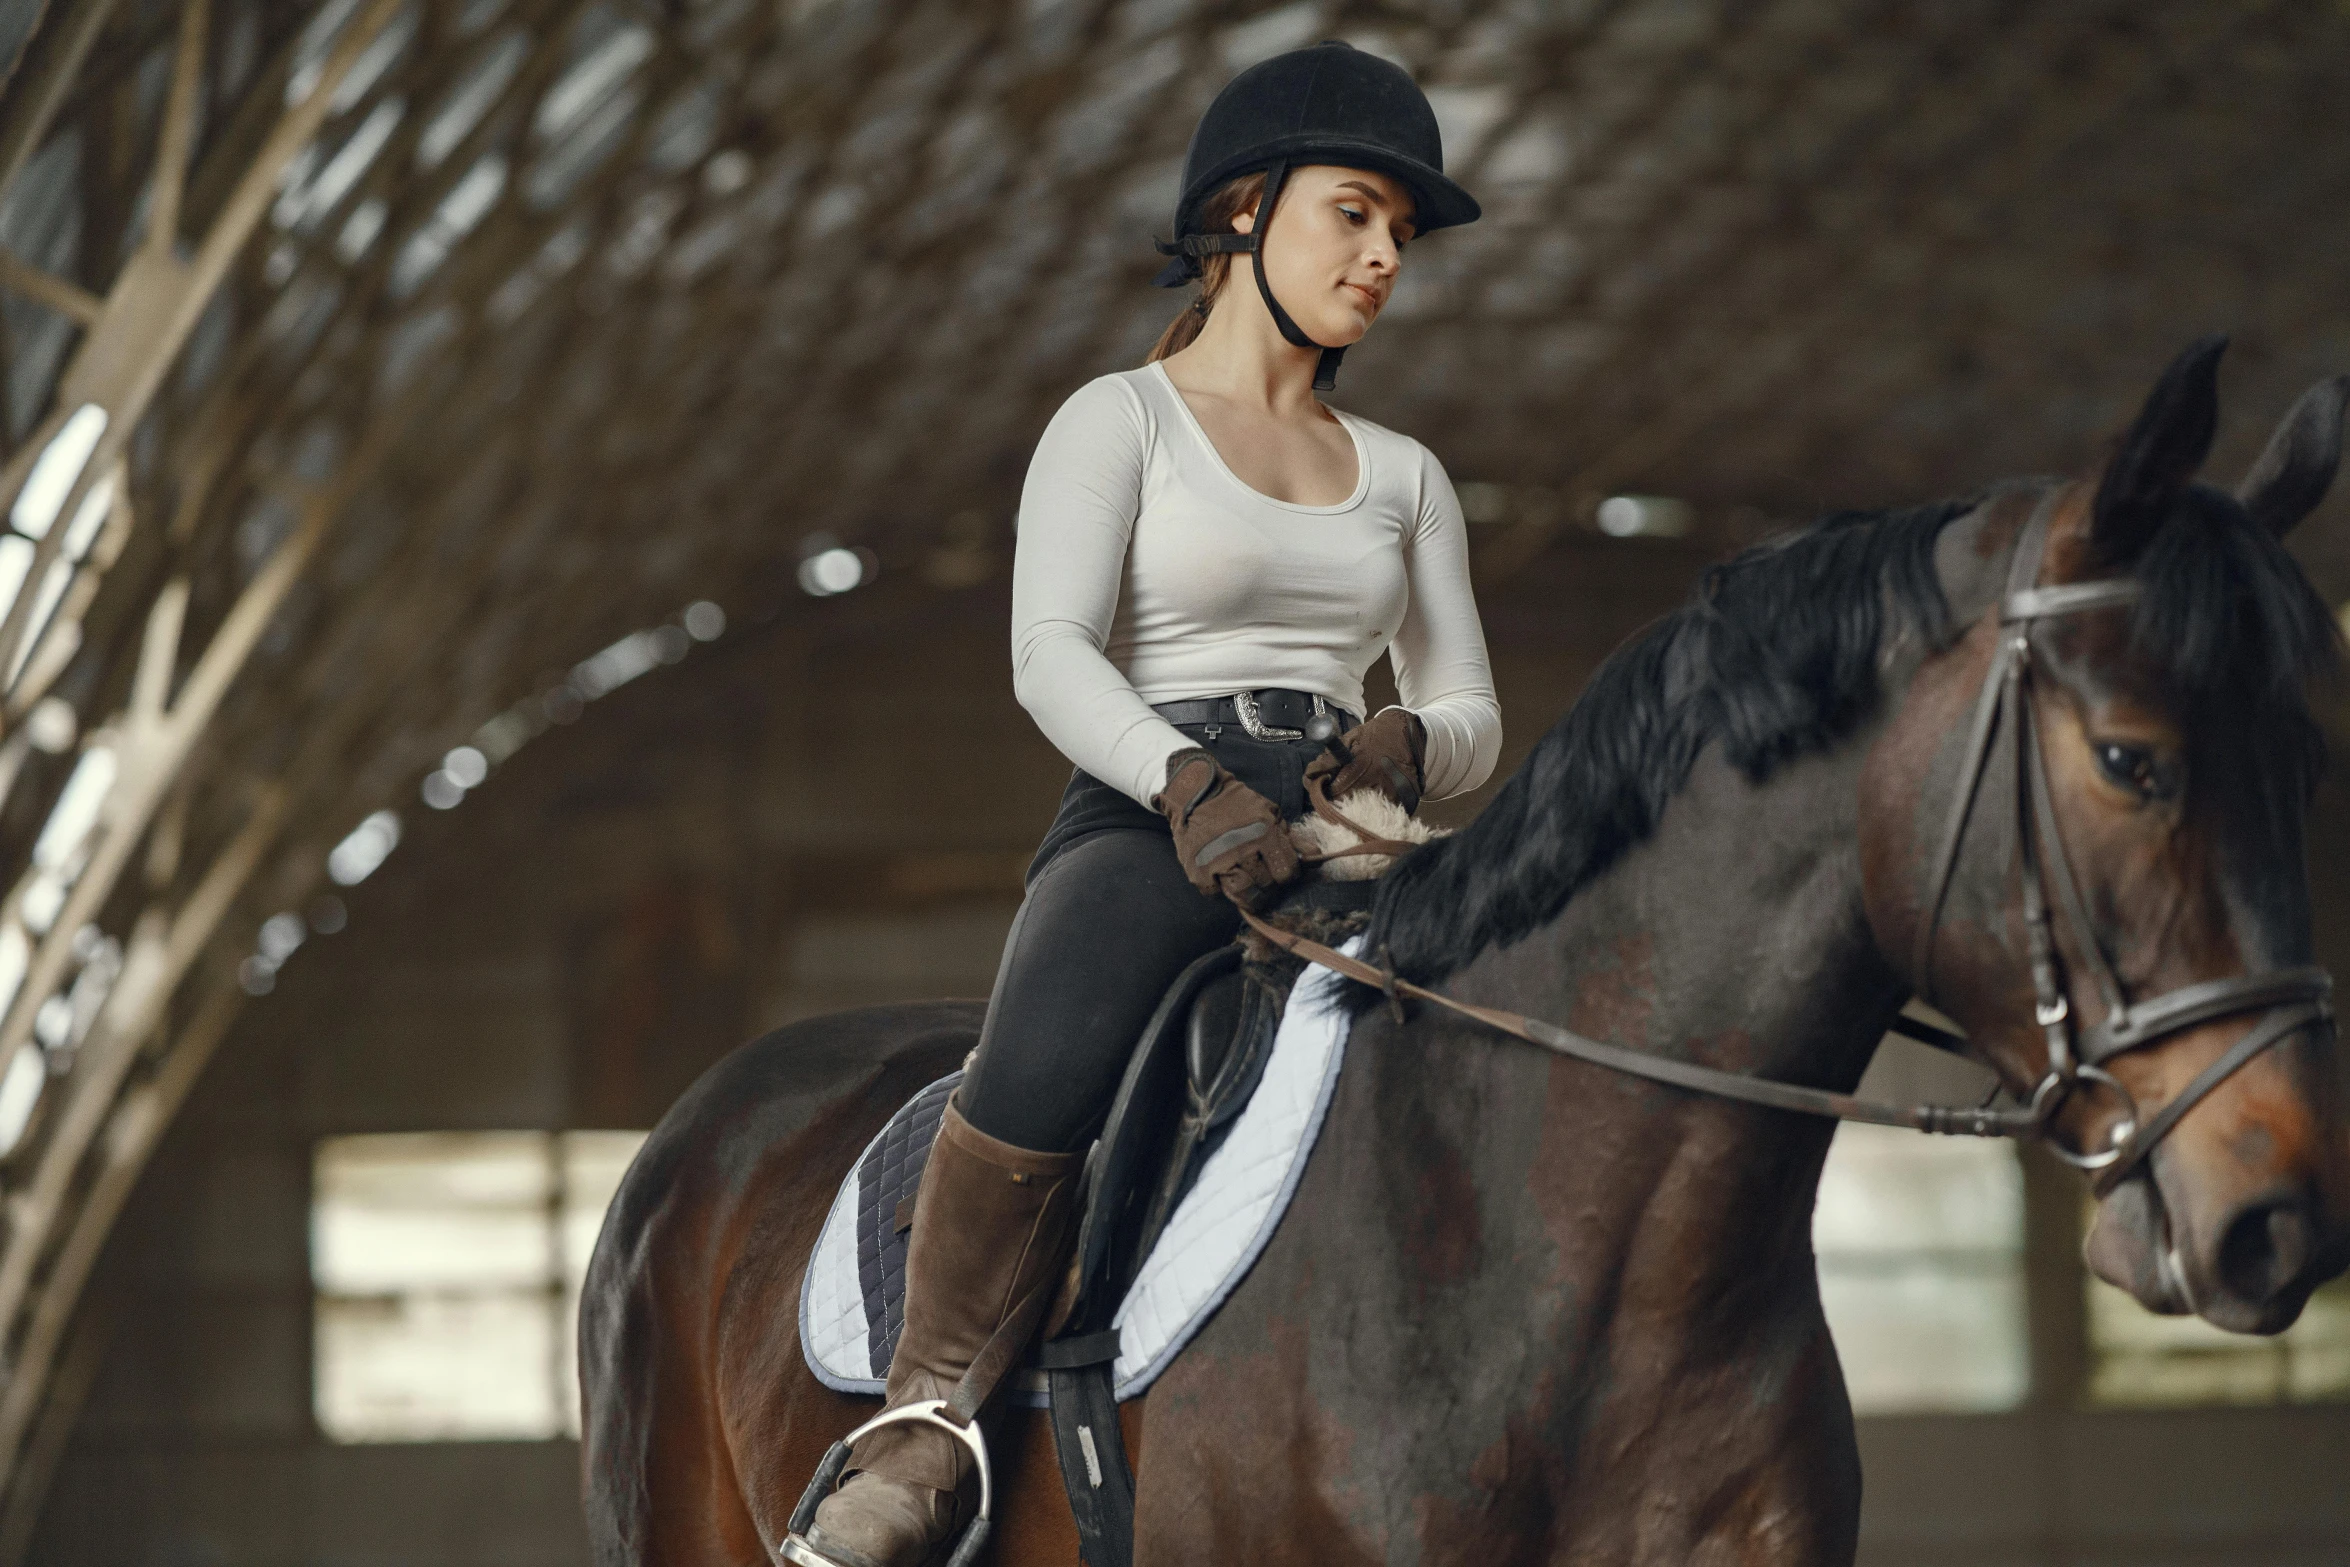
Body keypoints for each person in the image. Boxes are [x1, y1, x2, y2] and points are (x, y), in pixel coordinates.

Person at [782, 40, 1502, 1567]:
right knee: (1044, 1051)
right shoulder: (1118, 422)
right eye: (1354, 214)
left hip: (1350, 823)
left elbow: (1474, 711)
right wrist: (1181, 781)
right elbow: (1048, 654)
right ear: (1241, 212)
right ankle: (923, 1420)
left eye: (1400, 238)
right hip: (1149, 805)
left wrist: (1401, 747)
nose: (1384, 257)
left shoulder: (1404, 473)